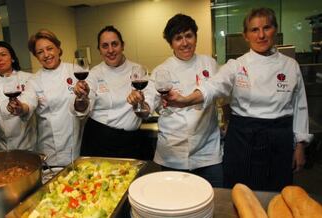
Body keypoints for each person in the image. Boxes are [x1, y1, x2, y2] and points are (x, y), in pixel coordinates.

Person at [164, 8, 313, 191]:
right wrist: (187, 99)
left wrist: (300, 146)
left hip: (279, 138)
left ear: (275, 29)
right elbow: (214, 86)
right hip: (243, 138)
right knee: (239, 193)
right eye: (254, 30)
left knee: (278, 193)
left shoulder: (291, 66)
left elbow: (300, 107)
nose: (261, 35)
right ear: (245, 35)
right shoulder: (236, 65)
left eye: (266, 28)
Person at [127, 14, 223, 187]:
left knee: (213, 204)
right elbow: (146, 108)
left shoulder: (209, 64)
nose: (185, 43)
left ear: (196, 37)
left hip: (208, 153)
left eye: (189, 35)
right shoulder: (161, 71)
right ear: (171, 43)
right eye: (178, 38)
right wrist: (138, 103)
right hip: (173, 156)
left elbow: (222, 95)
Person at [7, 30, 82, 166]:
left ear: (58, 49)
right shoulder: (35, 80)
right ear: (36, 56)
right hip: (50, 149)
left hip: (77, 144)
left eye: (50, 49)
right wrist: (19, 107)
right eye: (40, 52)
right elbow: (27, 102)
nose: (46, 55)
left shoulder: (75, 70)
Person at [73, 25, 145, 159]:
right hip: (99, 140)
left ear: (122, 46)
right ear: (99, 50)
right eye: (105, 46)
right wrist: (81, 97)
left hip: (131, 141)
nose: (110, 50)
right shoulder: (94, 73)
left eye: (114, 44)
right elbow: (83, 108)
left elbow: (146, 106)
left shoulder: (138, 70)